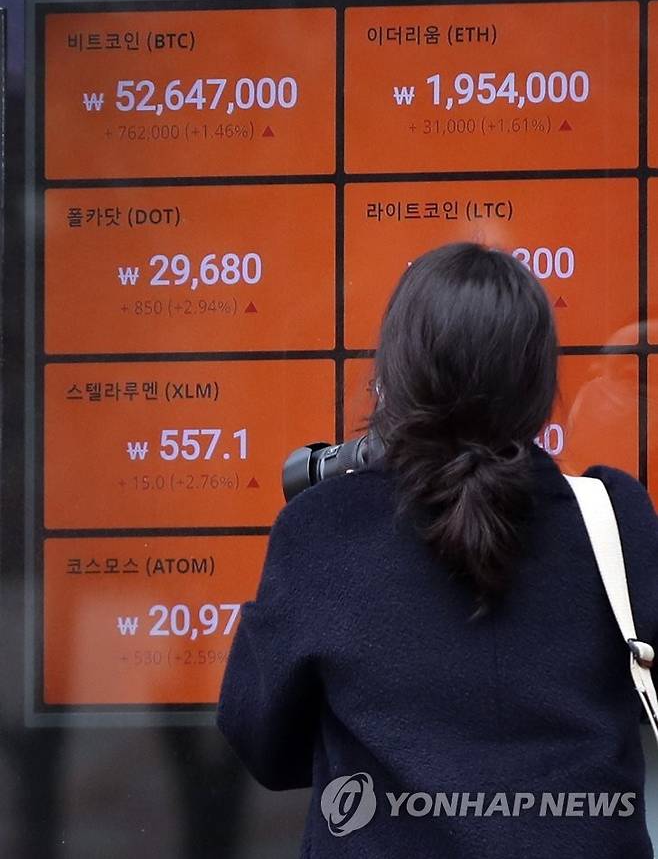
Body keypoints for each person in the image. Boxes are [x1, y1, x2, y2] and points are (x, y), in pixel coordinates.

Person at [217, 242, 658, 857]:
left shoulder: (320, 528)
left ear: (395, 372)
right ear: (538, 379)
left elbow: (262, 744)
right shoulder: (612, 517)